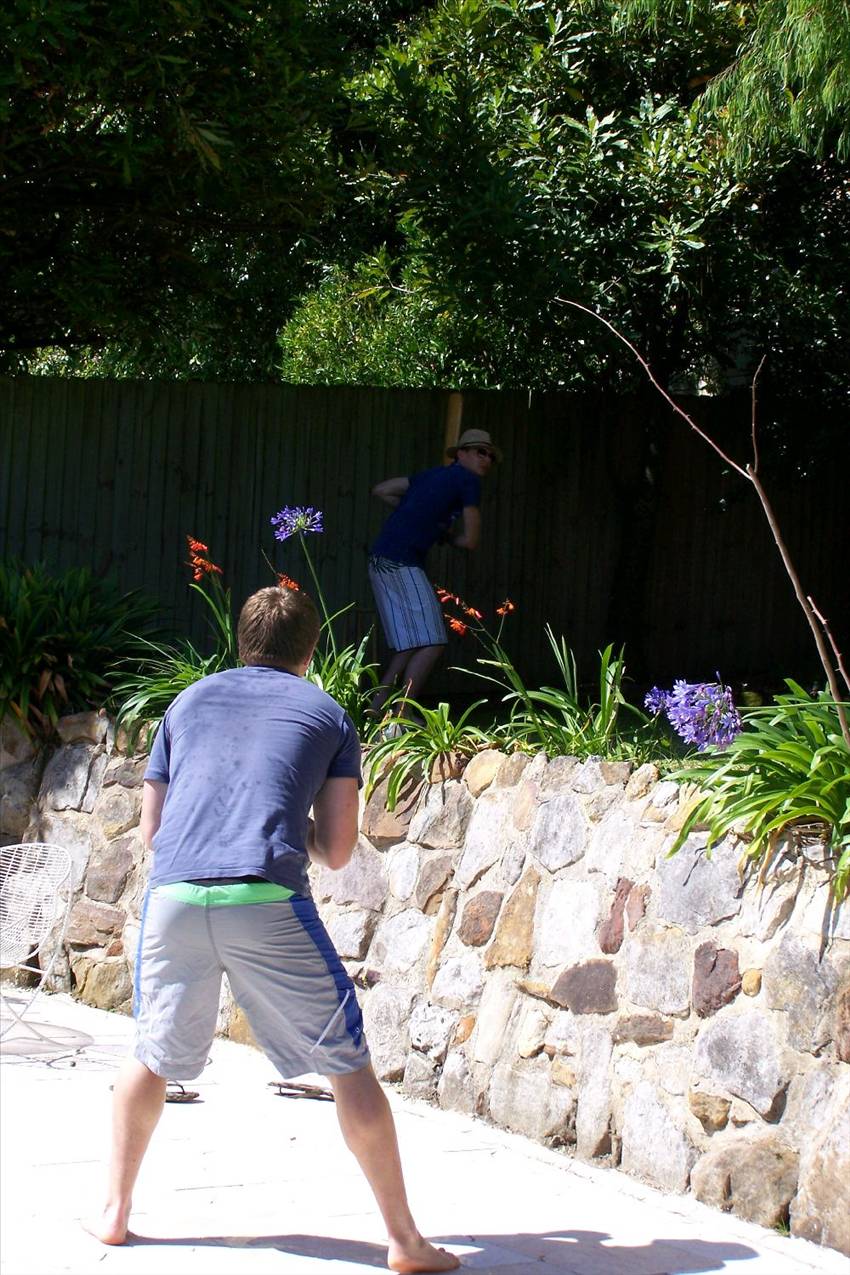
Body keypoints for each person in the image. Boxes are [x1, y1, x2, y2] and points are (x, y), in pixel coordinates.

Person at [86, 585, 459, 1274]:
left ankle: (113, 1210)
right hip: (264, 897)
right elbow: (340, 848)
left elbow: (152, 830)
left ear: (240, 642)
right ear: (310, 649)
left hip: (173, 895)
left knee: (150, 1052)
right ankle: (406, 1241)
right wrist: (294, 829)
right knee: (348, 1064)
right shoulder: (327, 712)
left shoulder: (186, 703)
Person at [368, 428, 501, 719]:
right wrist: (446, 534)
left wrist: (419, 514)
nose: (487, 459)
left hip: (381, 559)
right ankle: (402, 712)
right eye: (481, 451)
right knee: (433, 641)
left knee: (412, 642)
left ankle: (376, 707)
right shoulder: (468, 481)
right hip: (400, 562)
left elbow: (381, 490)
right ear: (461, 453)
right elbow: (471, 540)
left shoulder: (428, 476)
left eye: (491, 455)